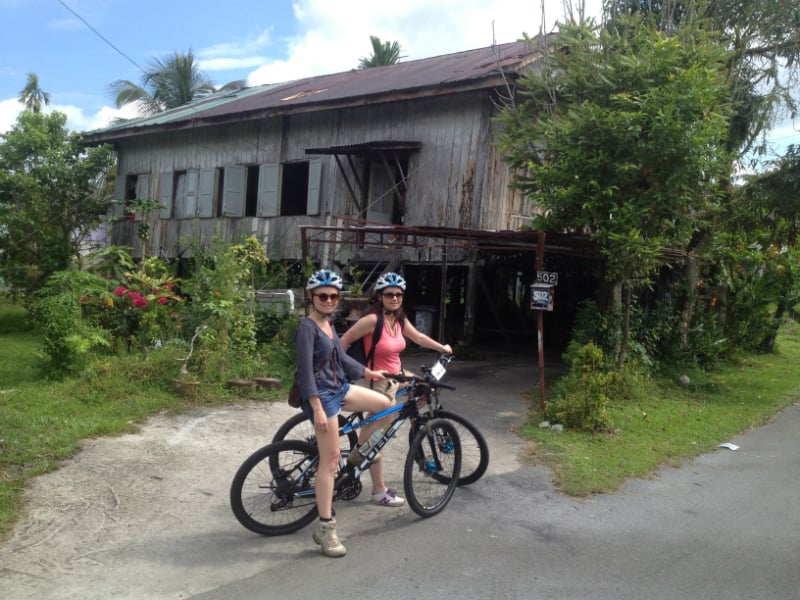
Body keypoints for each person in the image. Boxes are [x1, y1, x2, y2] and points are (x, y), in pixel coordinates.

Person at [294, 269, 405, 558]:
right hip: (322, 397)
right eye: (323, 295)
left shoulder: (328, 325)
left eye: (333, 296)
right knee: (330, 461)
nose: (329, 300)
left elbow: (341, 358)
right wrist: (317, 408)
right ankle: (325, 528)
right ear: (312, 297)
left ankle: (359, 451)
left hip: (339, 388)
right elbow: (306, 373)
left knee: (385, 405)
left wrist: (367, 371)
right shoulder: (307, 328)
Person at [340, 272, 453, 402]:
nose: (395, 298)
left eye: (398, 294)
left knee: (426, 390)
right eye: (389, 294)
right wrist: (341, 373)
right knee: (385, 420)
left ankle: (406, 418)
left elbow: (419, 338)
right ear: (380, 297)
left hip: (398, 375)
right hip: (379, 381)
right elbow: (342, 342)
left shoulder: (399, 318)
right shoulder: (371, 320)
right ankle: (383, 423)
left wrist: (442, 348)